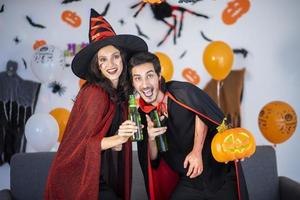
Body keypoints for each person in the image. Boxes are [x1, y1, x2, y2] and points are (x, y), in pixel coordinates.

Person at [45, 9, 147, 200]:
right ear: (97, 65)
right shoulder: (95, 94)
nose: (111, 64)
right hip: (77, 180)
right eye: (103, 59)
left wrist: (125, 136)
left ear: (123, 58)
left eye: (115, 56)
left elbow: (108, 142)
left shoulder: (120, 97)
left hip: (96, 174)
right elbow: (83, 146)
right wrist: (118, 139)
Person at [128, 52, 249, 200]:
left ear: (159, 76)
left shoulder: (182, 92)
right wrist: (151, 138)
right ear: (133, 83)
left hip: (220, 176)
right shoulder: (142, 115)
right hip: (189, 182)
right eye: (138, 78)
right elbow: (153, 160)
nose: (145, 84)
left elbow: (203, 113)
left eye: (149, 75)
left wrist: (196, 151)